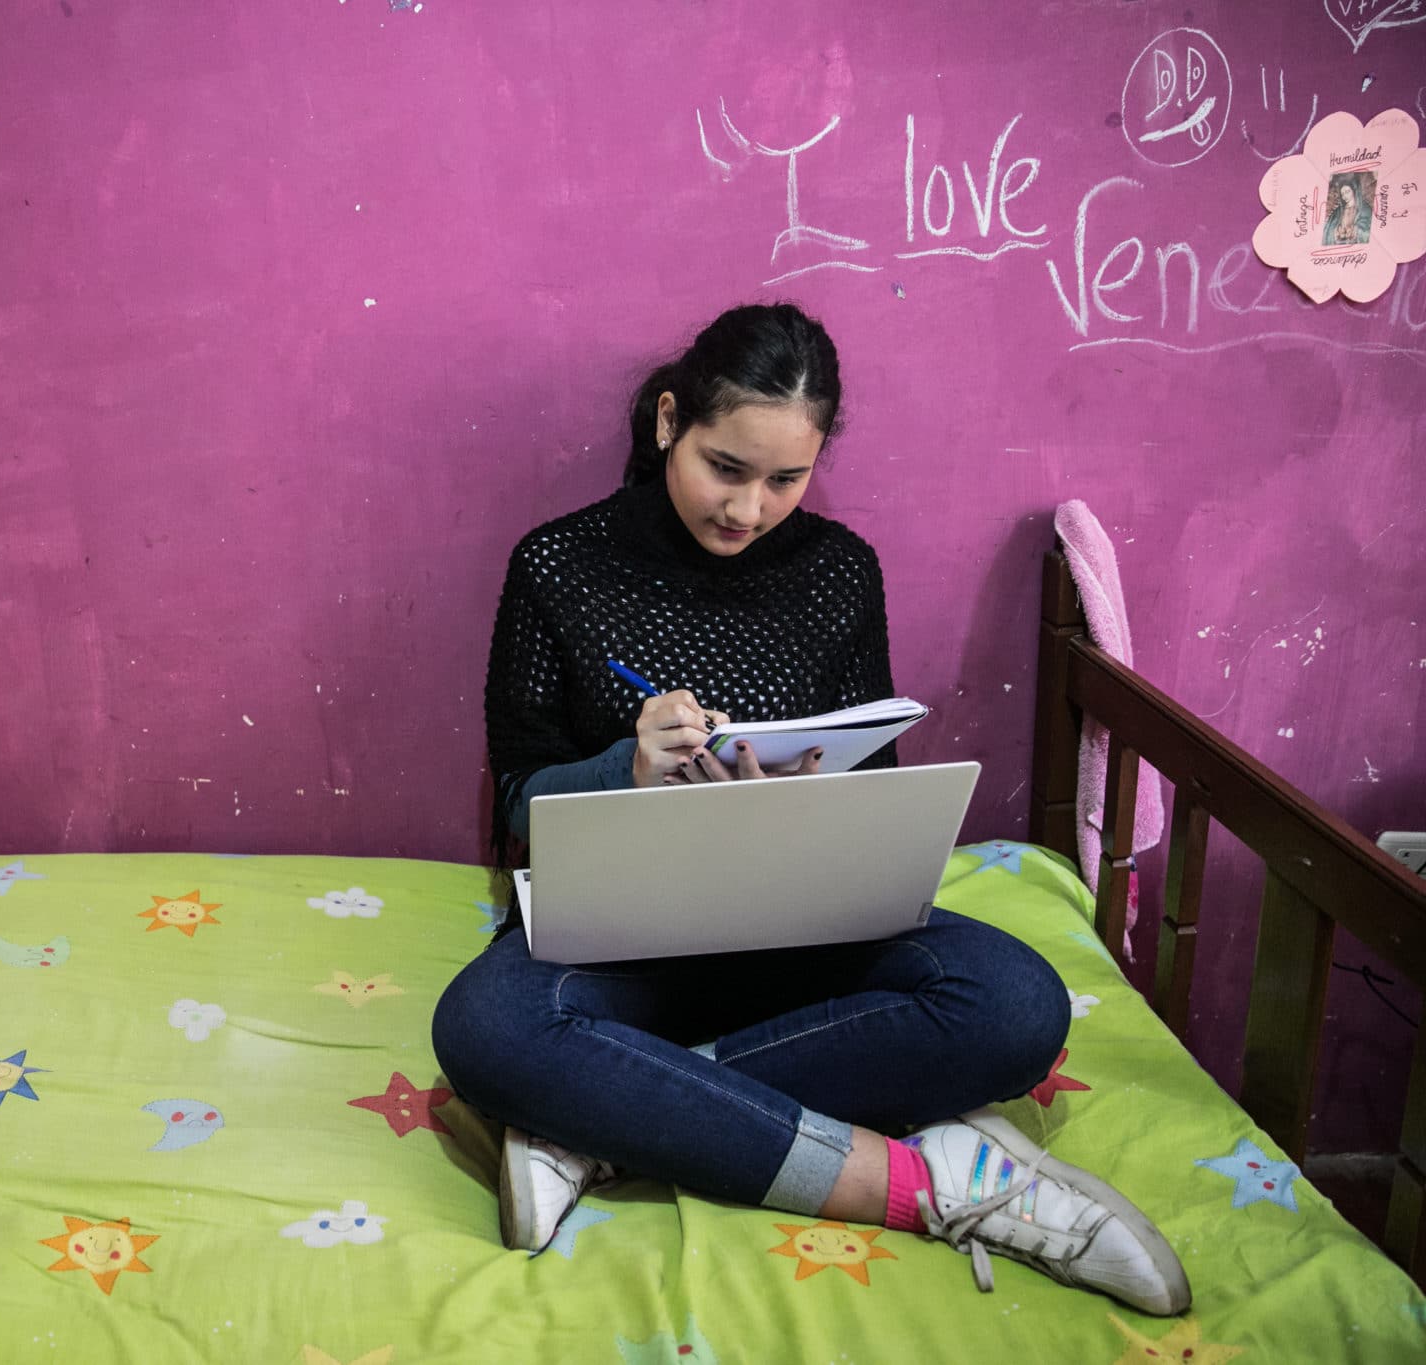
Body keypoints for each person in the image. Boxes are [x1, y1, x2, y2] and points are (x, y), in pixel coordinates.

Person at [431, 302, 1190, 1316]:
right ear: (667, 422)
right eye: (724, 468)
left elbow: (874, 787)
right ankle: (930, 1185)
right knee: (487, 1029)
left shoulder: (837, 574)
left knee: (1015, 1005)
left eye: (783, 480)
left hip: (792, 938)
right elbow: (521, 805)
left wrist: (809, 796)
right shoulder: (558, 566)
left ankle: (607, 1115)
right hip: (615, 939)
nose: (746, 509)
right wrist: (628, 769)